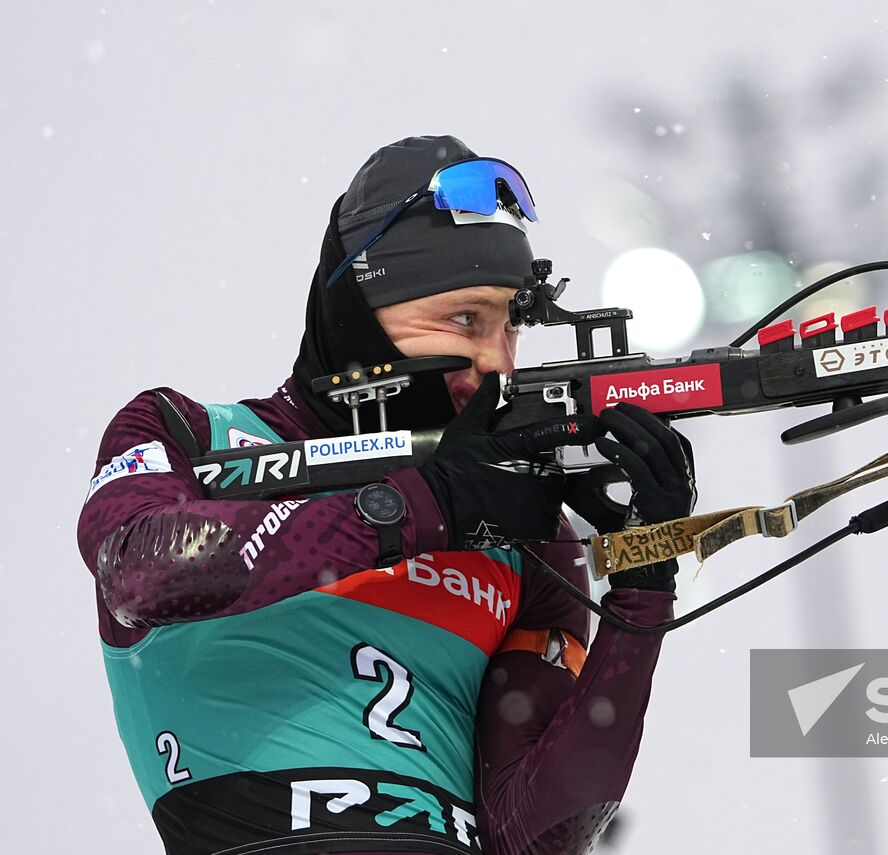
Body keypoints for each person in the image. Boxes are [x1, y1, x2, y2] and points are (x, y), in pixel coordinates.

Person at [77, 136, 694, 855]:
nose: (494, 362)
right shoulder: (187, 434)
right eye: (466, 321)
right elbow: (140, 570)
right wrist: (421, 506)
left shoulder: (527, 535)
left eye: (509, 328)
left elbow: (538, 835)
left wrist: (644, 582)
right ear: (361, 314)